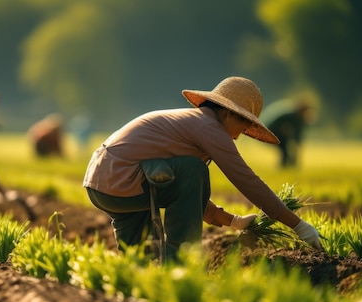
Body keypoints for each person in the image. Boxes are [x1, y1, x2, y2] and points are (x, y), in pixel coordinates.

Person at [83, 76, 322, 261]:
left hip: (104, 184)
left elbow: (185, 191)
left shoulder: (190, 123)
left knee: (140, 259)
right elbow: (246, 181)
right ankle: (181, 262)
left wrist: (233, 221)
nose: (240, 135)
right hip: (123, 179)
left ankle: (143, 290)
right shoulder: (207, 128)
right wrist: (298, 226)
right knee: (193, 169)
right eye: (244, 124)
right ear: (229, 113)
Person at [260, 98, 313, 168]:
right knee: (284, 148)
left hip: (270, 130)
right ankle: (286, 165)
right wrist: (297, 144)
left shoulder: (293, 115)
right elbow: (296, 134)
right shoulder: (295, 117)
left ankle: (286, 165)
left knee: (284, 147)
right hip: (270, 130)